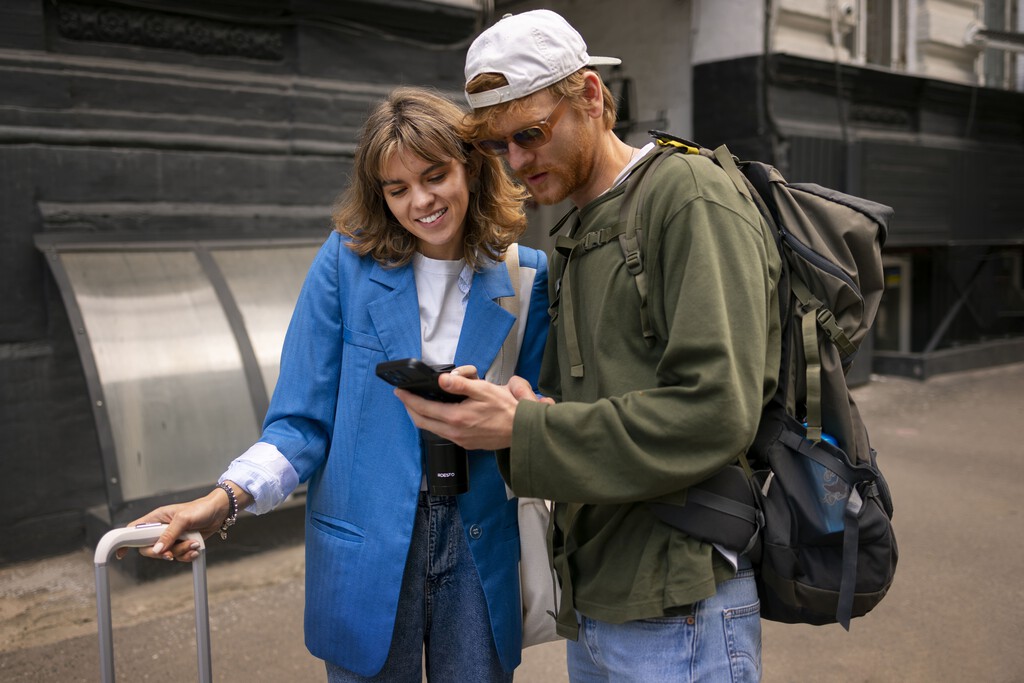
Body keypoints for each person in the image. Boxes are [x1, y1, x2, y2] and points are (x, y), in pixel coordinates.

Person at [395, 10, 781, 683]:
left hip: (680, 603)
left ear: (593, 98)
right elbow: (593, 407)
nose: (516, 162)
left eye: (531, 134)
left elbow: (717, 410)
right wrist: (516, 410)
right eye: (497, 146)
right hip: (599, 600)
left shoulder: (688, 196)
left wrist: (527, 427)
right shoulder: (580, 230)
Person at [121, 86, 550, 682]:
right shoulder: (346, 263)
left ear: (471, 167)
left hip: (480, 544)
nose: (420, 201)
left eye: (435, 176)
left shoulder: (526, 276)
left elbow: (541, 421)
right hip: (364, 546)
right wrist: (223, 501)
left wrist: (511, 412)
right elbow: (300, 423)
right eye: (397, 189)